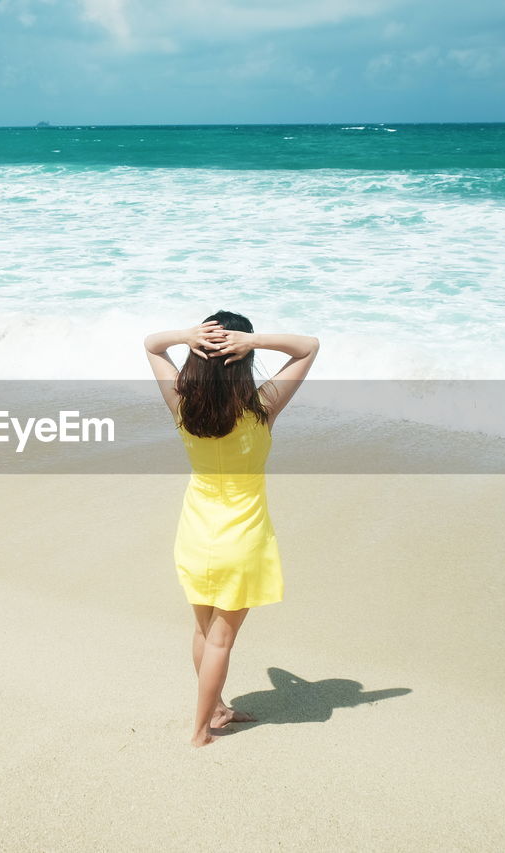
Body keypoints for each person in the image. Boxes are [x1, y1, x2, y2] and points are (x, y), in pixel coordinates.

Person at [143, 312, 320, 747]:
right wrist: (253, 340)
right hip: (241, 539)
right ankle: (202, 731)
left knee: (204, 632)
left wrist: (186, 335)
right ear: (241, 359)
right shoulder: (261, 409)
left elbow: (151, 344)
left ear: (196, 357)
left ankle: (218, 707)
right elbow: (309, 346)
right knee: (221, 640)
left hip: (195, 534)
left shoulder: (182, 405)